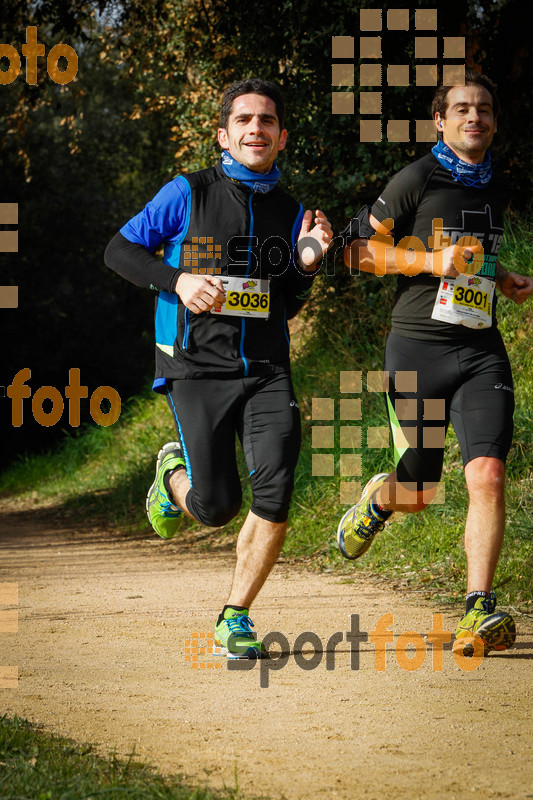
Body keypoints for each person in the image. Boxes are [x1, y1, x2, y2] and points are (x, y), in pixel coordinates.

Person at [105, 79, 332, 659]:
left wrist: (307, 262)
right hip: (195, 368)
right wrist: (177, 280)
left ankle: (236, 616)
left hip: (265, 368)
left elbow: (286, 301)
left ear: (281, 138)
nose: (256, 128)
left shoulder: (291, 211)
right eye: (244, 120)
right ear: (224, 135)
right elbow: (120, 250)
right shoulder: (189, 192)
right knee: (216, 508)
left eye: (267, 121)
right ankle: (172, 476)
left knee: (277, 485)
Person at [336, 71, 532, 656]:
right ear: (440, 121)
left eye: (485, 109)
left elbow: (475, 256)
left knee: (488, 475)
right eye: (462, 109)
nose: (475, 117)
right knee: (418, 490)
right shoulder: (417, 177)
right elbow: (354, 249)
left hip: (481, 350)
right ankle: (377, 501)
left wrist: (502, 276)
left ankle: (478, 608)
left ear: (495, 121)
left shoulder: (498, 185)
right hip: (418, 350)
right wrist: (429, 262)